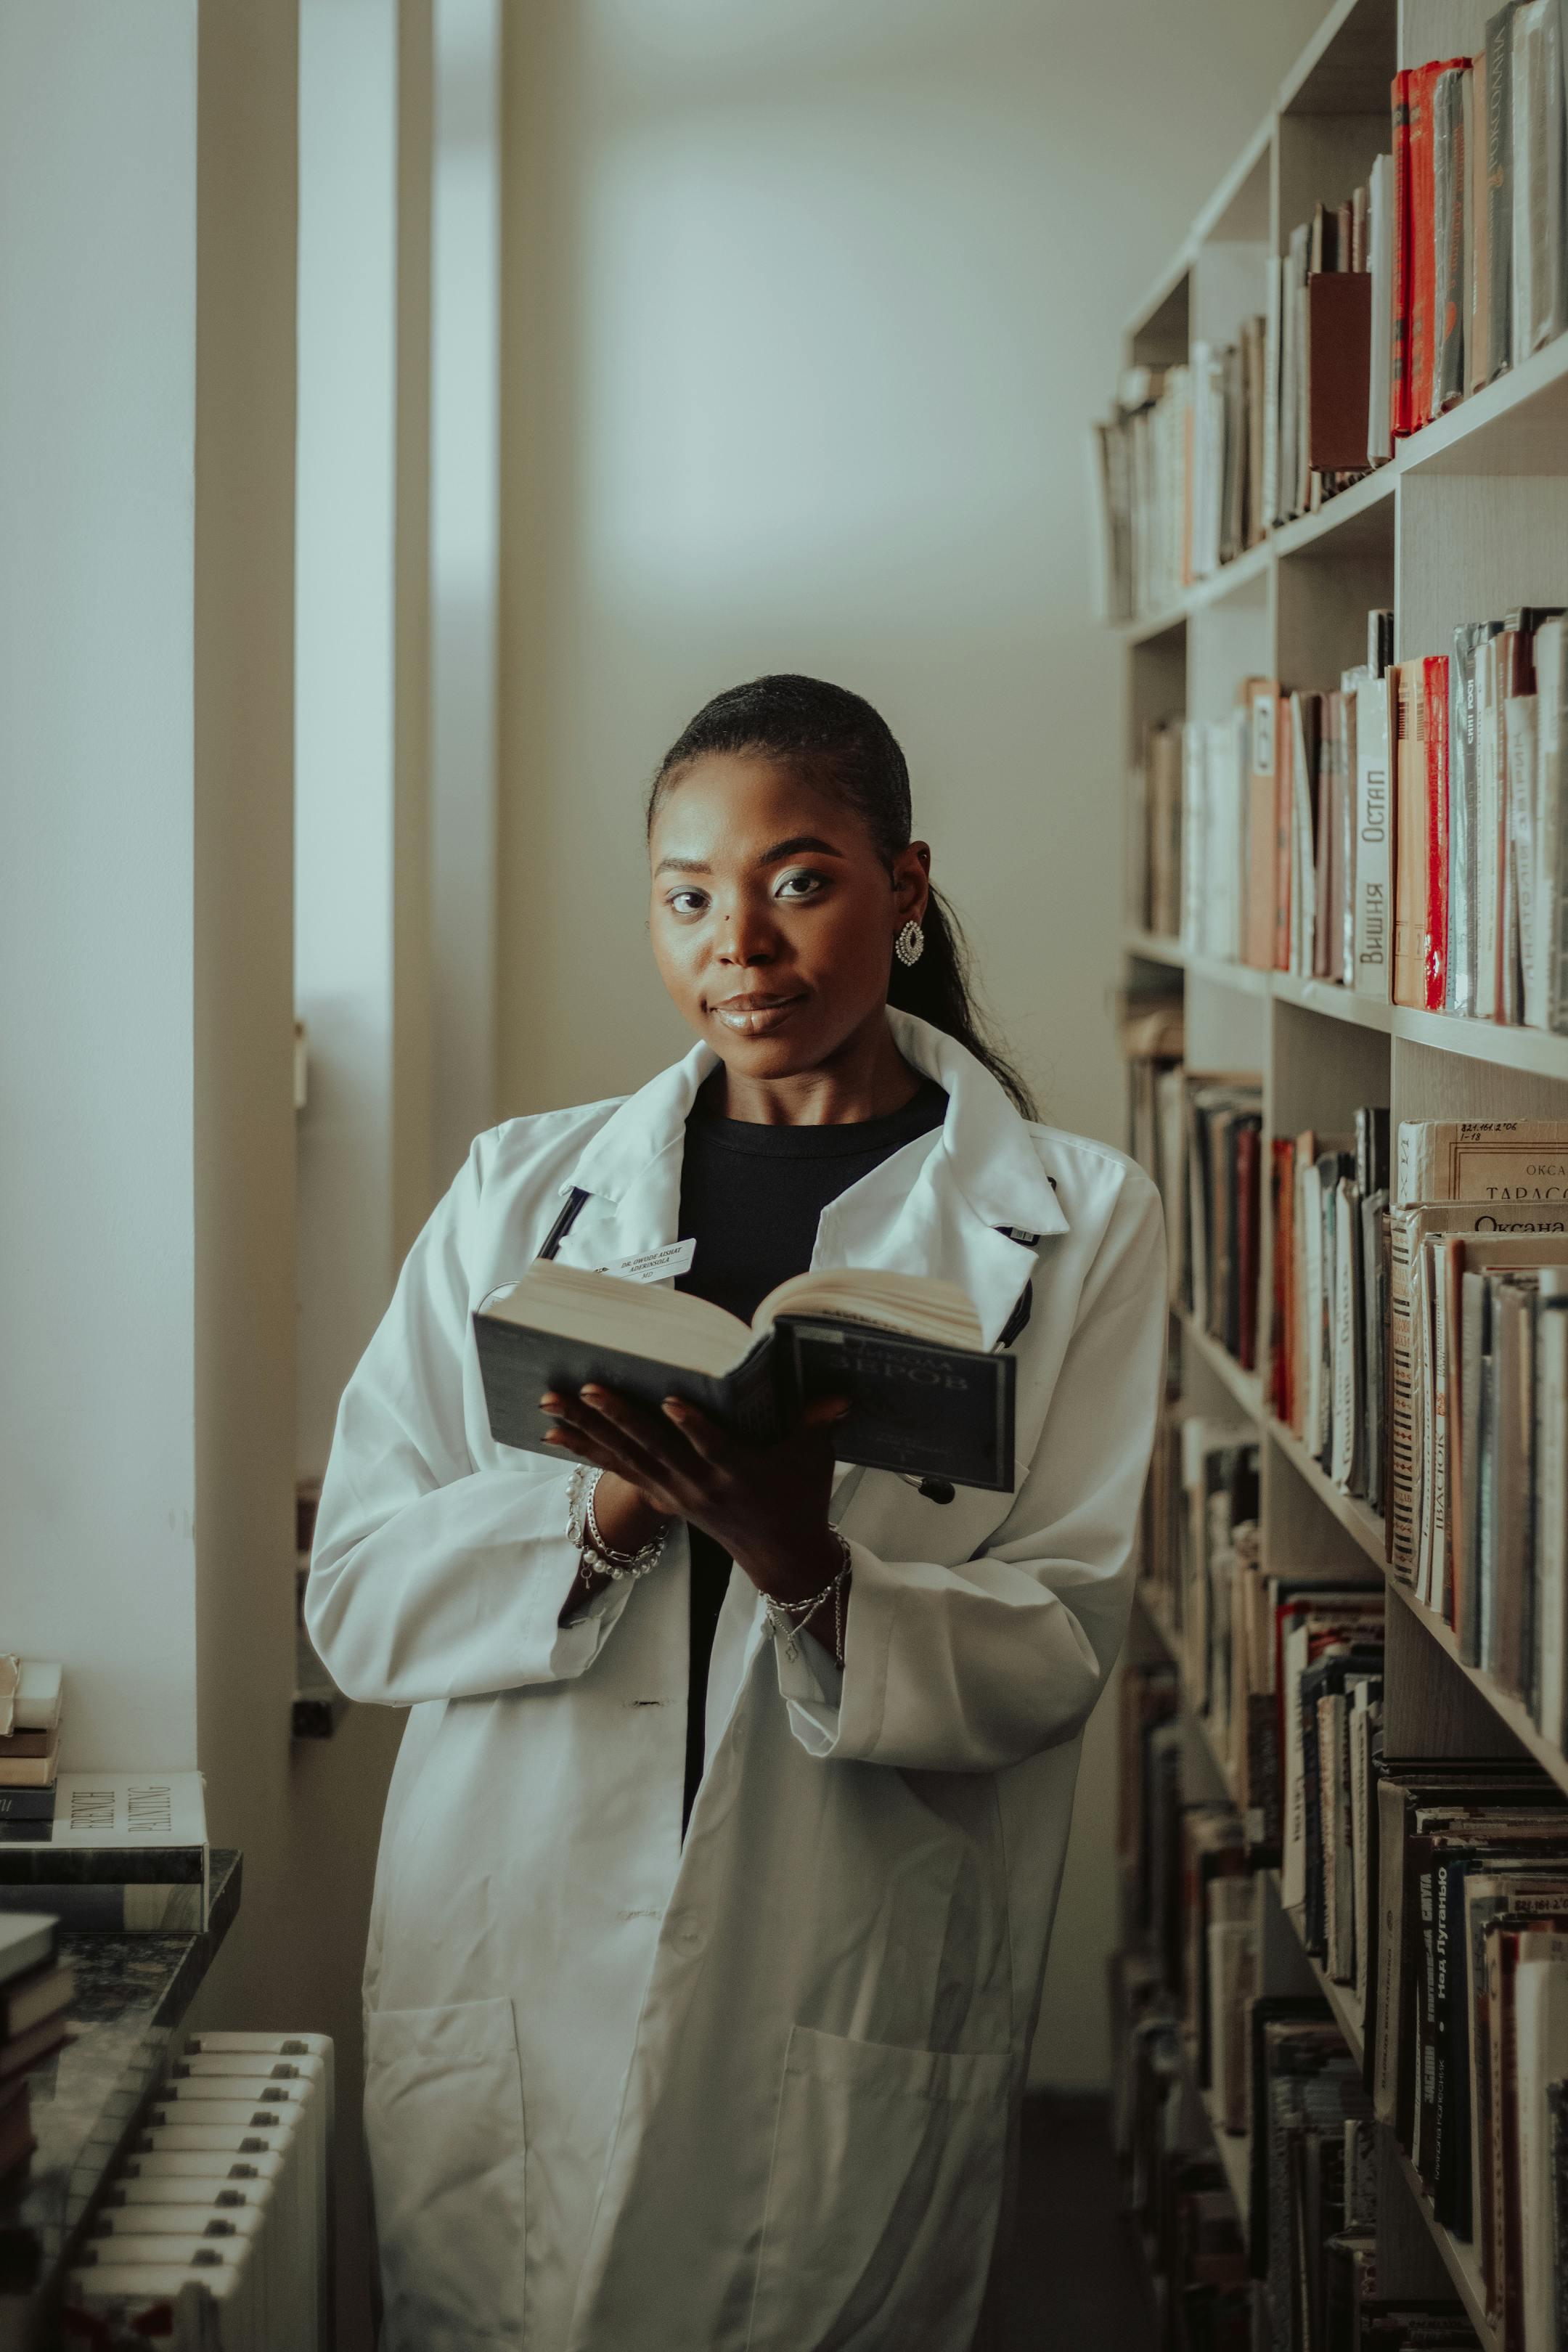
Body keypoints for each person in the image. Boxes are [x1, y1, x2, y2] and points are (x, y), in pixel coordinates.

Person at [306, 674, 1166, 2352]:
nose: (741, 945)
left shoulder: (1077, 1221)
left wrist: (802, 1563)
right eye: (688, 896)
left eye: (798, 880)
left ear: (904, 891)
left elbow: (1063, 1639)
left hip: (839, 1953)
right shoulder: (517, 1190)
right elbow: (356, 1596)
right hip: (521, 1930)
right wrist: (610, 1515)